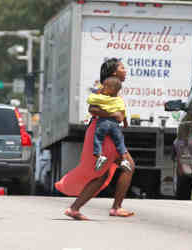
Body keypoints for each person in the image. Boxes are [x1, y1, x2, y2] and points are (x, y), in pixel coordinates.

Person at [55, 58, 135, 220]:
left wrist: (121, 118)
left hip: (107, 132)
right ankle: (116, 208)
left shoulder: (113, 87)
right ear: (114, 72)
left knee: (103, 175)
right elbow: (93, 109)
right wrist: (113, 115)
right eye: (122, 67)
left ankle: (75, 208)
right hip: (102, 132)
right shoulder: (104, 87)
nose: (125, 70)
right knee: (128, 166)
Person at [87, 76, 132, 172]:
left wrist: (98, 92)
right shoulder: (119, 100)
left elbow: (90, 100)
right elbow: (123, 114)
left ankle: (100, 156)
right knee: (120, 141)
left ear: (111, 89)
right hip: (115, 124)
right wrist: (125, 123)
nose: (103, 87)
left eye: (105, 86)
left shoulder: (102, 98)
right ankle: (124, 159)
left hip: (103, 122)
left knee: (98, 139)